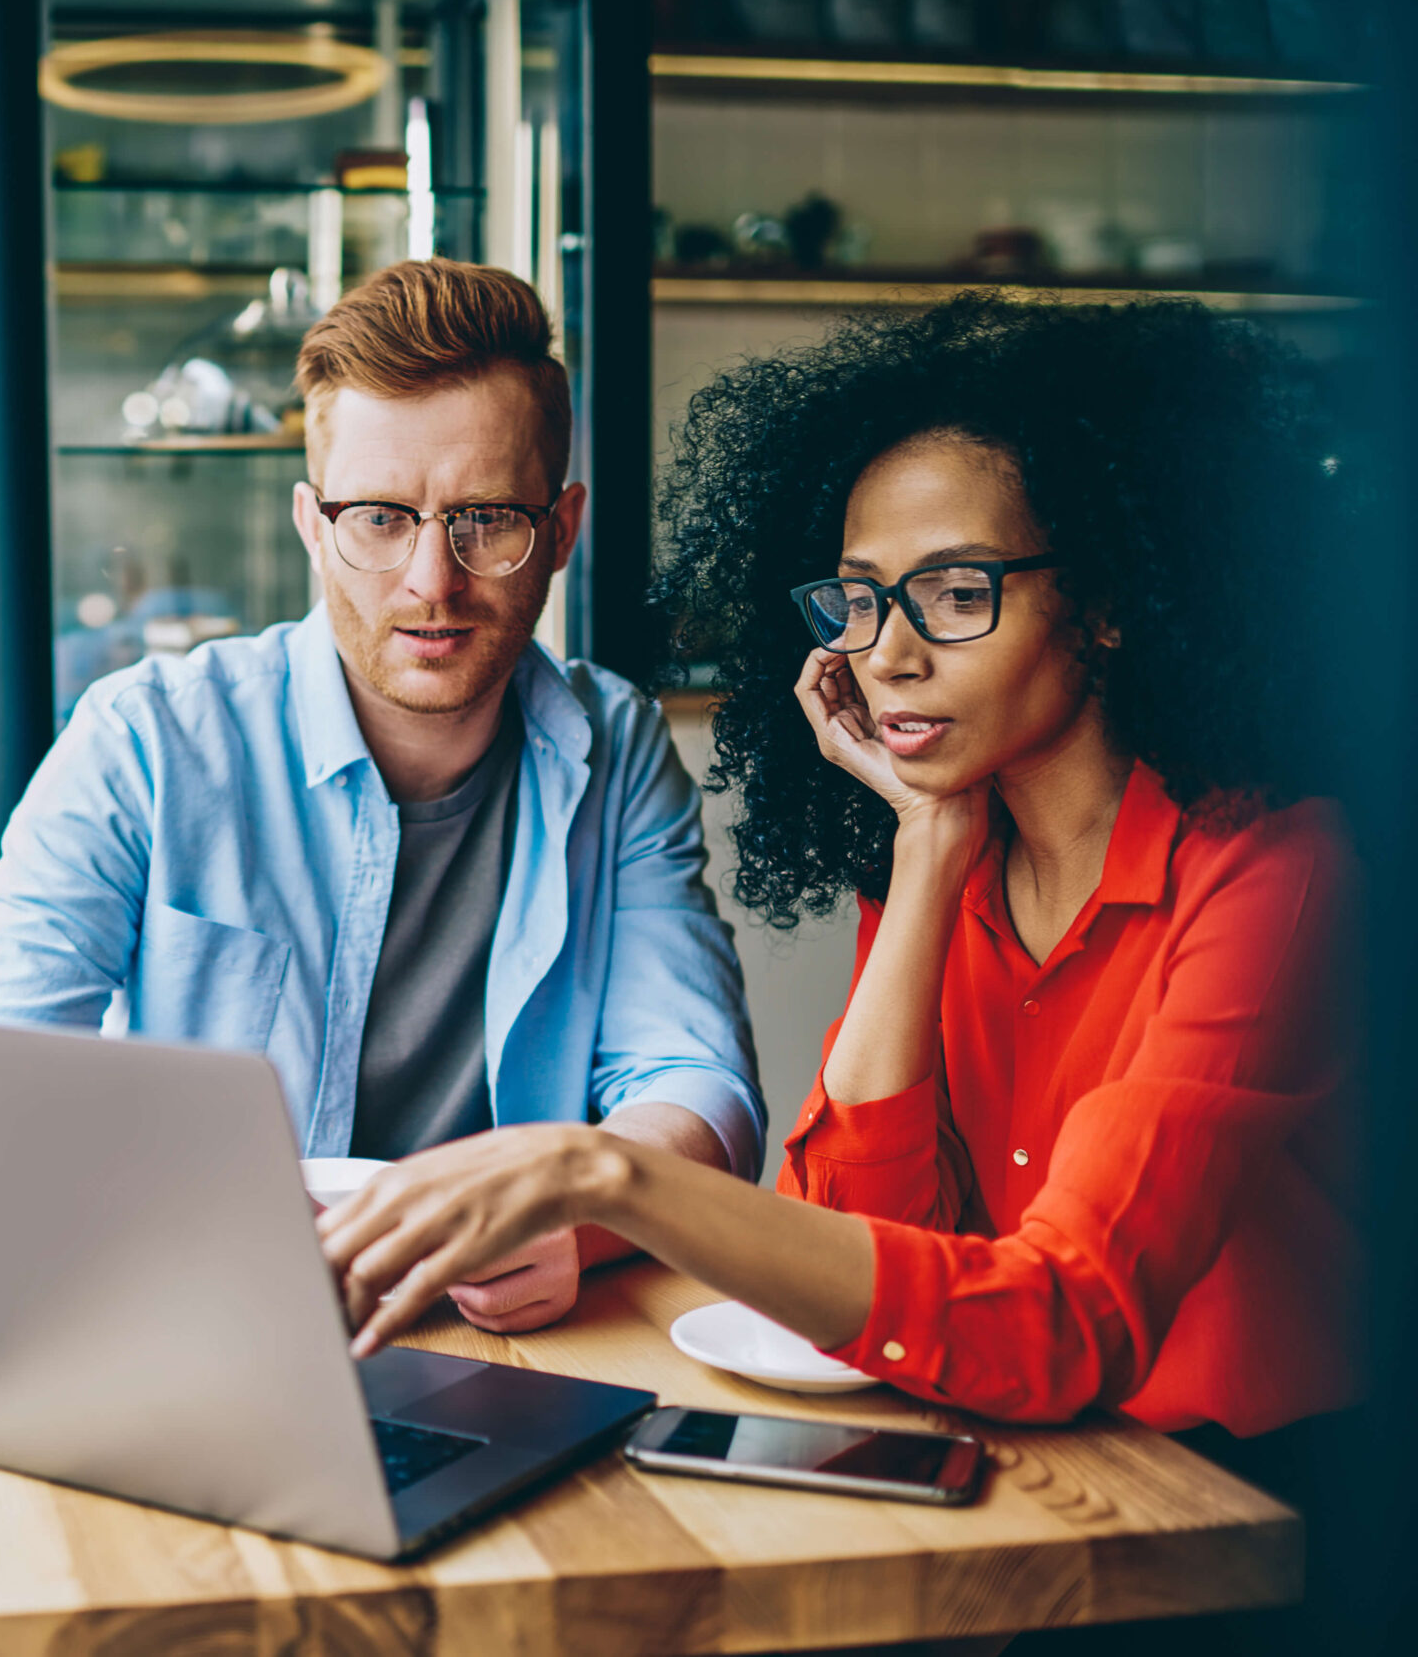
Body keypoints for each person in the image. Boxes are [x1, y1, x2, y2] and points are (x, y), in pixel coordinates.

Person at [319, 295, 1358, 1636]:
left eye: (956, 591)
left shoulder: (1276, 877)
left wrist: (604, 1170)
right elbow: (870, 1244)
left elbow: (1067, 1317)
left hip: (1252, 1525)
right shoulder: (950, 857)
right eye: (861, 600)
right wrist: (924, 854)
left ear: (1104, 600)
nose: (889, 652)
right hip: (1025, 1471)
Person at [0, 259, 763, 1333]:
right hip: (200, 1319)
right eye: (378, 517)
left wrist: (581, 1221)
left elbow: (698, 1084)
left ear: (559, 532)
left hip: (513, 1345)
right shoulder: (147, 737)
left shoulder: (616, 745)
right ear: (311, 526)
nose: (432, 578)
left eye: (486, 518)